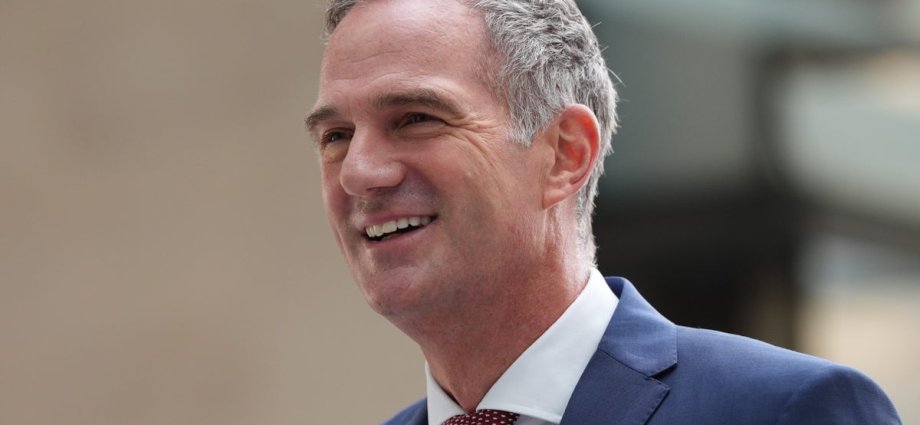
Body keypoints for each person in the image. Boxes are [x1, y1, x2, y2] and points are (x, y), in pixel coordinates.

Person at [306, 0, 902, 423]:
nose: (359, 172)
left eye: (415, 119)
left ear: (565, 154)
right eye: (336, 136)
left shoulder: (785, 410)